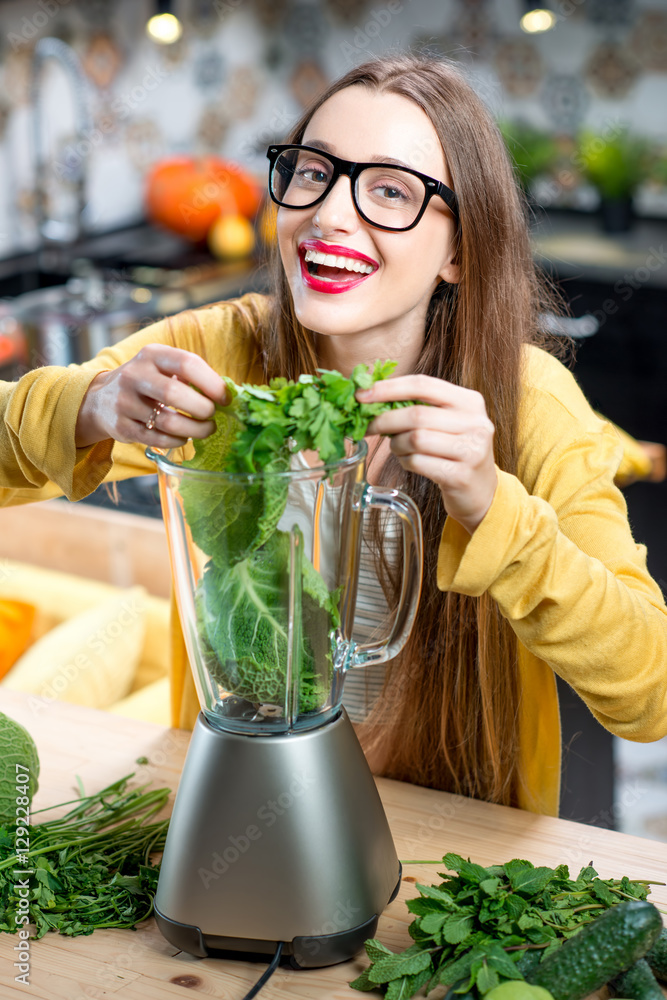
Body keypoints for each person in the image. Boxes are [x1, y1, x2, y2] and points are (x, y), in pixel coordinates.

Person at [2, 54, 666, 817]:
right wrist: (88, 403)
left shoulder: (528, 403)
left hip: (456, 848)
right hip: (238, 817)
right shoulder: (216, 354)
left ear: (459, 251)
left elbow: (648, 695)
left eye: (389, 190)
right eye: (313, 172)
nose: (330, 215)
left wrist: (495, 509)